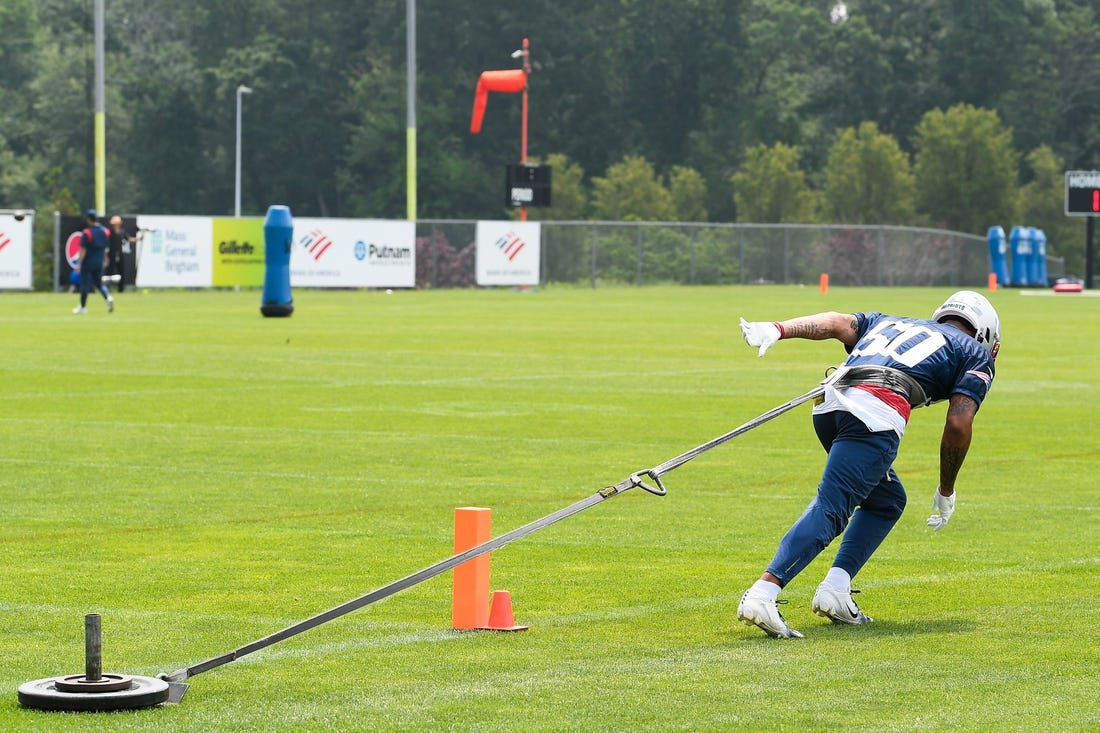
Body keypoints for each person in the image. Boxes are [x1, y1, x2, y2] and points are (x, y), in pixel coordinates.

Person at [735, 291, 999, 638]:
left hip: (829, 404)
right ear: (985, 334)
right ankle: (763, 593)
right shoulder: (974, 352)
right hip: (874, 413)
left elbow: (835, 322)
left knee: (886, 501)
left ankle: (835, 590)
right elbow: (958, 424)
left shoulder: (890, 320)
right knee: (833, 507)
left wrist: (778, 328)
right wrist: (946, 487)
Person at [73, 209, 115, 314]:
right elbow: (106, 247)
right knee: (99, 283)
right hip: (99, 261)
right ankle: (108, 297)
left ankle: (82, 307)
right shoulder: (105, 231)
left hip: (88, 262)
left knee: (85, 284)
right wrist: (105, 258)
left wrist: (78, 263)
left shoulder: (87, 233)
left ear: (88, 219)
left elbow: (83, 250)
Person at [106, 215, 133, 292]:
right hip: (111, 254)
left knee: (121, 271)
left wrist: (139, 239)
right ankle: (107, 288)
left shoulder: (122, 232)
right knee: (109, 271)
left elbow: (128, 239)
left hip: (120, 253)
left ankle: (121, 289)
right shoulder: (109, 232)